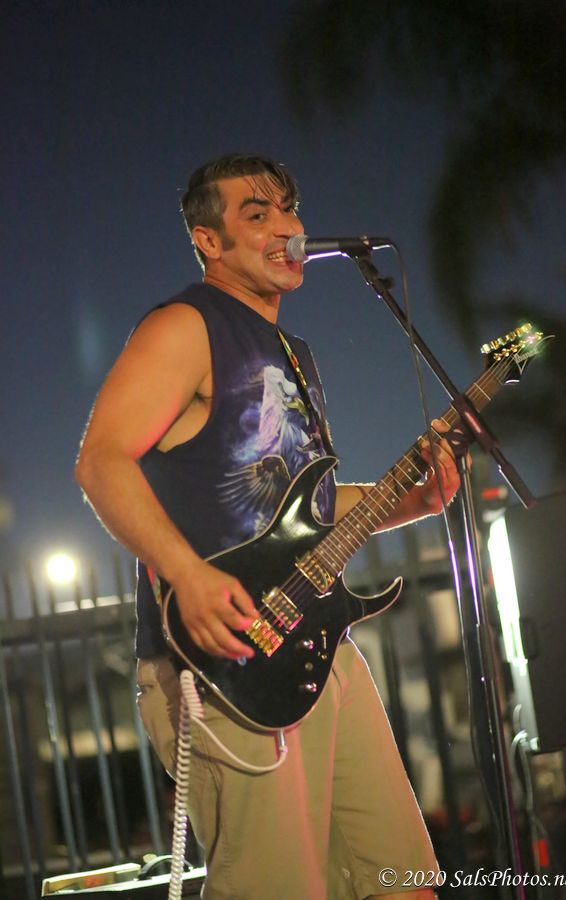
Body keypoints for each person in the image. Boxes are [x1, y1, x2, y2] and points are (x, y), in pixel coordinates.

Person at [76, 153, 462, 900]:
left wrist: (415, 501)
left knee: (404, 880)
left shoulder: (292, 353)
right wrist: (186, 574)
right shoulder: (185, 326)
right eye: (257, 214)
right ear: (209, 241)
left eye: (289, 208)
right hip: (230, 666)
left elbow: (305, 507)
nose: (286, 226)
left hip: (318, 649)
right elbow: (101, 460)